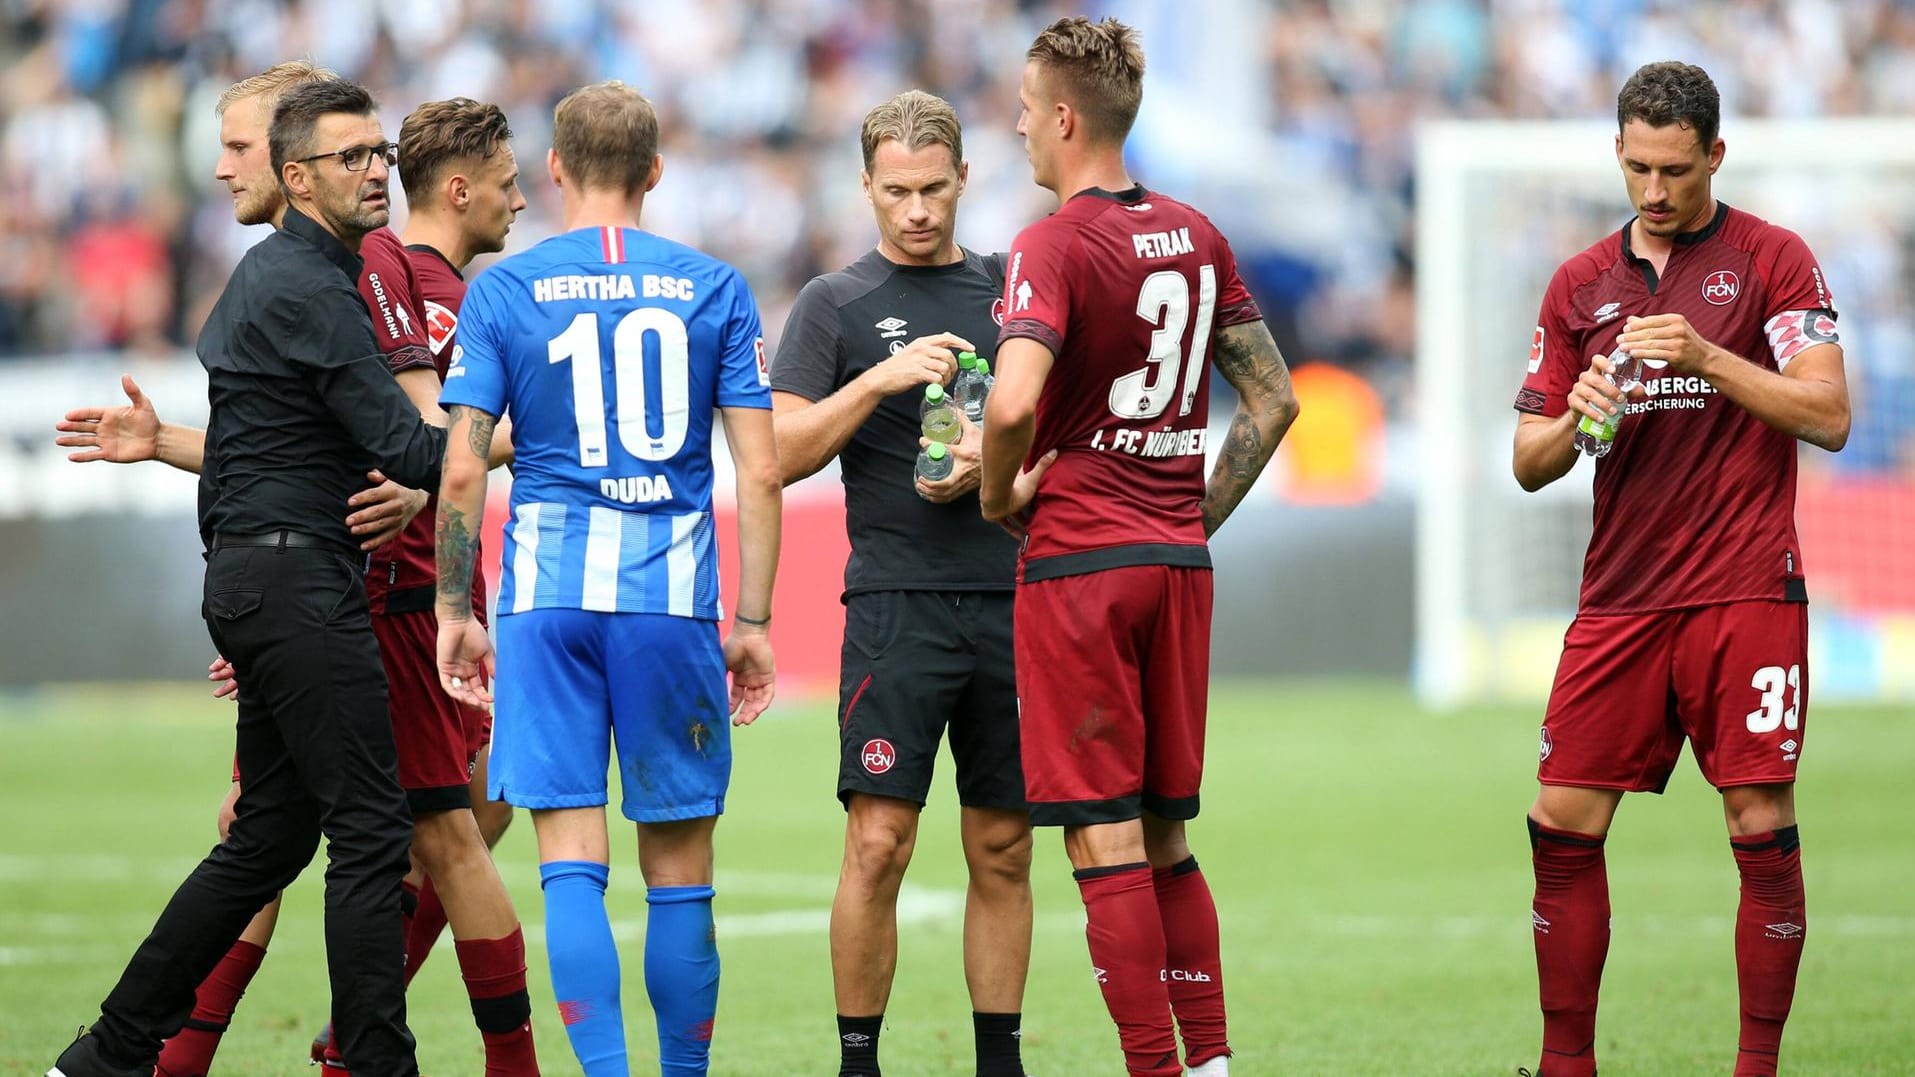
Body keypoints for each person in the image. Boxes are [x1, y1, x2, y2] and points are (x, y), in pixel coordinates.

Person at [55, 67, 538, 1077]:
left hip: (266, 580)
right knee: (382, 834)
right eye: (353, 158)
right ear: (300, 176)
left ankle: (113, 1052)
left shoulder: (282, 280)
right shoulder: (332, 286)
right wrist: (544, 423)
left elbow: (272, 449)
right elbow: (410, 449)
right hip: (317, 587)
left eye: (379, 153)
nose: (376, 171)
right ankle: (373, 1061)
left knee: (272, 840)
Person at [433, 80, 782, 1077]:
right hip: (671, 600)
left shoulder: (505, 290)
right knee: (679, 872)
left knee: (568, 864)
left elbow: (462, 464)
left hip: (546, 597)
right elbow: (758, 468)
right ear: (656, 174)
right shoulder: (714, 288)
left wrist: (455, 608)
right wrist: (751, 620)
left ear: (553, 171)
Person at [1510, 62, 1847, 1077]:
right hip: (1621, 594)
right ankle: (1567, 1065)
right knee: (1558, 819)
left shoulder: (1773, 259)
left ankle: (1756, 1069)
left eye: (1673, 170)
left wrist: (1706, 358)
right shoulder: (1579, 284)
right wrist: (1583, 415)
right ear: (1616, 151)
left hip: (1745, 585)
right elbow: (1527, 463)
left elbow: (1827, 414)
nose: (1653, 192)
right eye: (1635, 167)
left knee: (1757, 816)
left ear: (1714, 155)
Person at [977, 17, 1298, 1077]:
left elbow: (1015, 398)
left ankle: (1155, 1073)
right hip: (1174, 564)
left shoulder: (1051, 245)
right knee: (1168, 835)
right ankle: (1208, 1063)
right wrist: (1187, 520)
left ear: (1064, 118)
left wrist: (994, 494)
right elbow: (1272, 399)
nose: (1021, 130)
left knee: (1100, 840)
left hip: (1078, 567)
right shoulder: (1198, 234)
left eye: (1027, 112)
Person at [769, 89, 1033, 1077]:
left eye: (933, 189)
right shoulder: (834, 304)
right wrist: (878, 381)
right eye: (896, 192)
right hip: (895, 603)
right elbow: (779, 451)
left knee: (1003, 845)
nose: (916, 209)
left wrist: (995, 455)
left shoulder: (1013, 290)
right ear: (866, 188)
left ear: (964, 180)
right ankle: (858, 1063)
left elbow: (1064, 423)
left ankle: (999, 1062)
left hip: (1014, 599)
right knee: (878, 839)